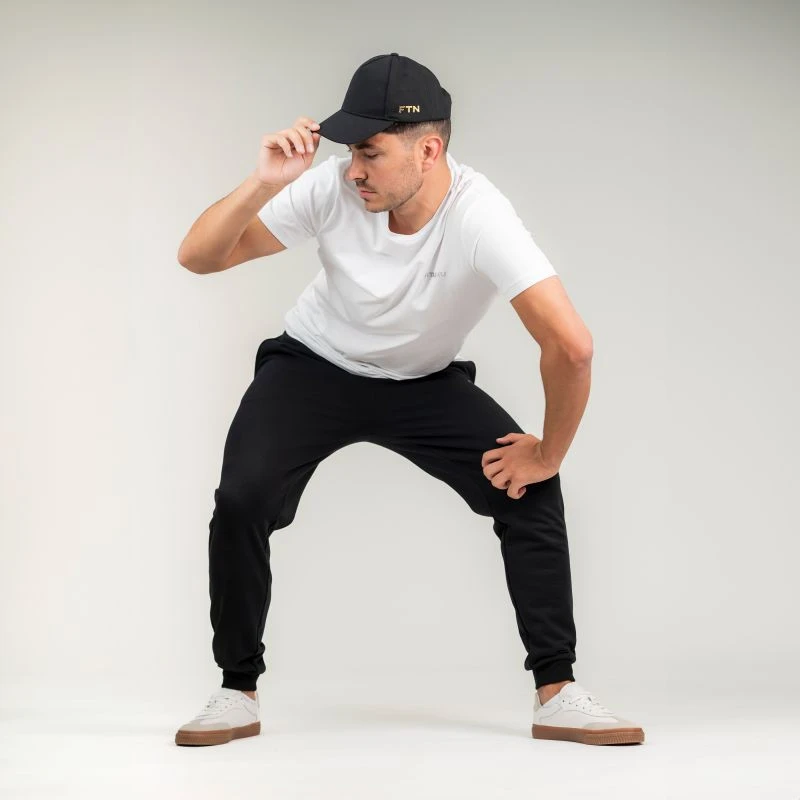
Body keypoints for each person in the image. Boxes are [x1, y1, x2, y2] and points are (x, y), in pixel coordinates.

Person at [174, 53, 644, 747]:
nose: (353, 170)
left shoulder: (480, 216)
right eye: (349, 152)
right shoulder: (333, 188)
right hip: (313, 367)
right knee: (241, 499)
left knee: (530, 492)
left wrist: (548, 453)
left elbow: (571, 346)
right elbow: (199, 256)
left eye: (370, 152)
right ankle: (235, 691)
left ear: (428, 151)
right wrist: (263, 183)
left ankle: (558, 693)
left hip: (423, 381)